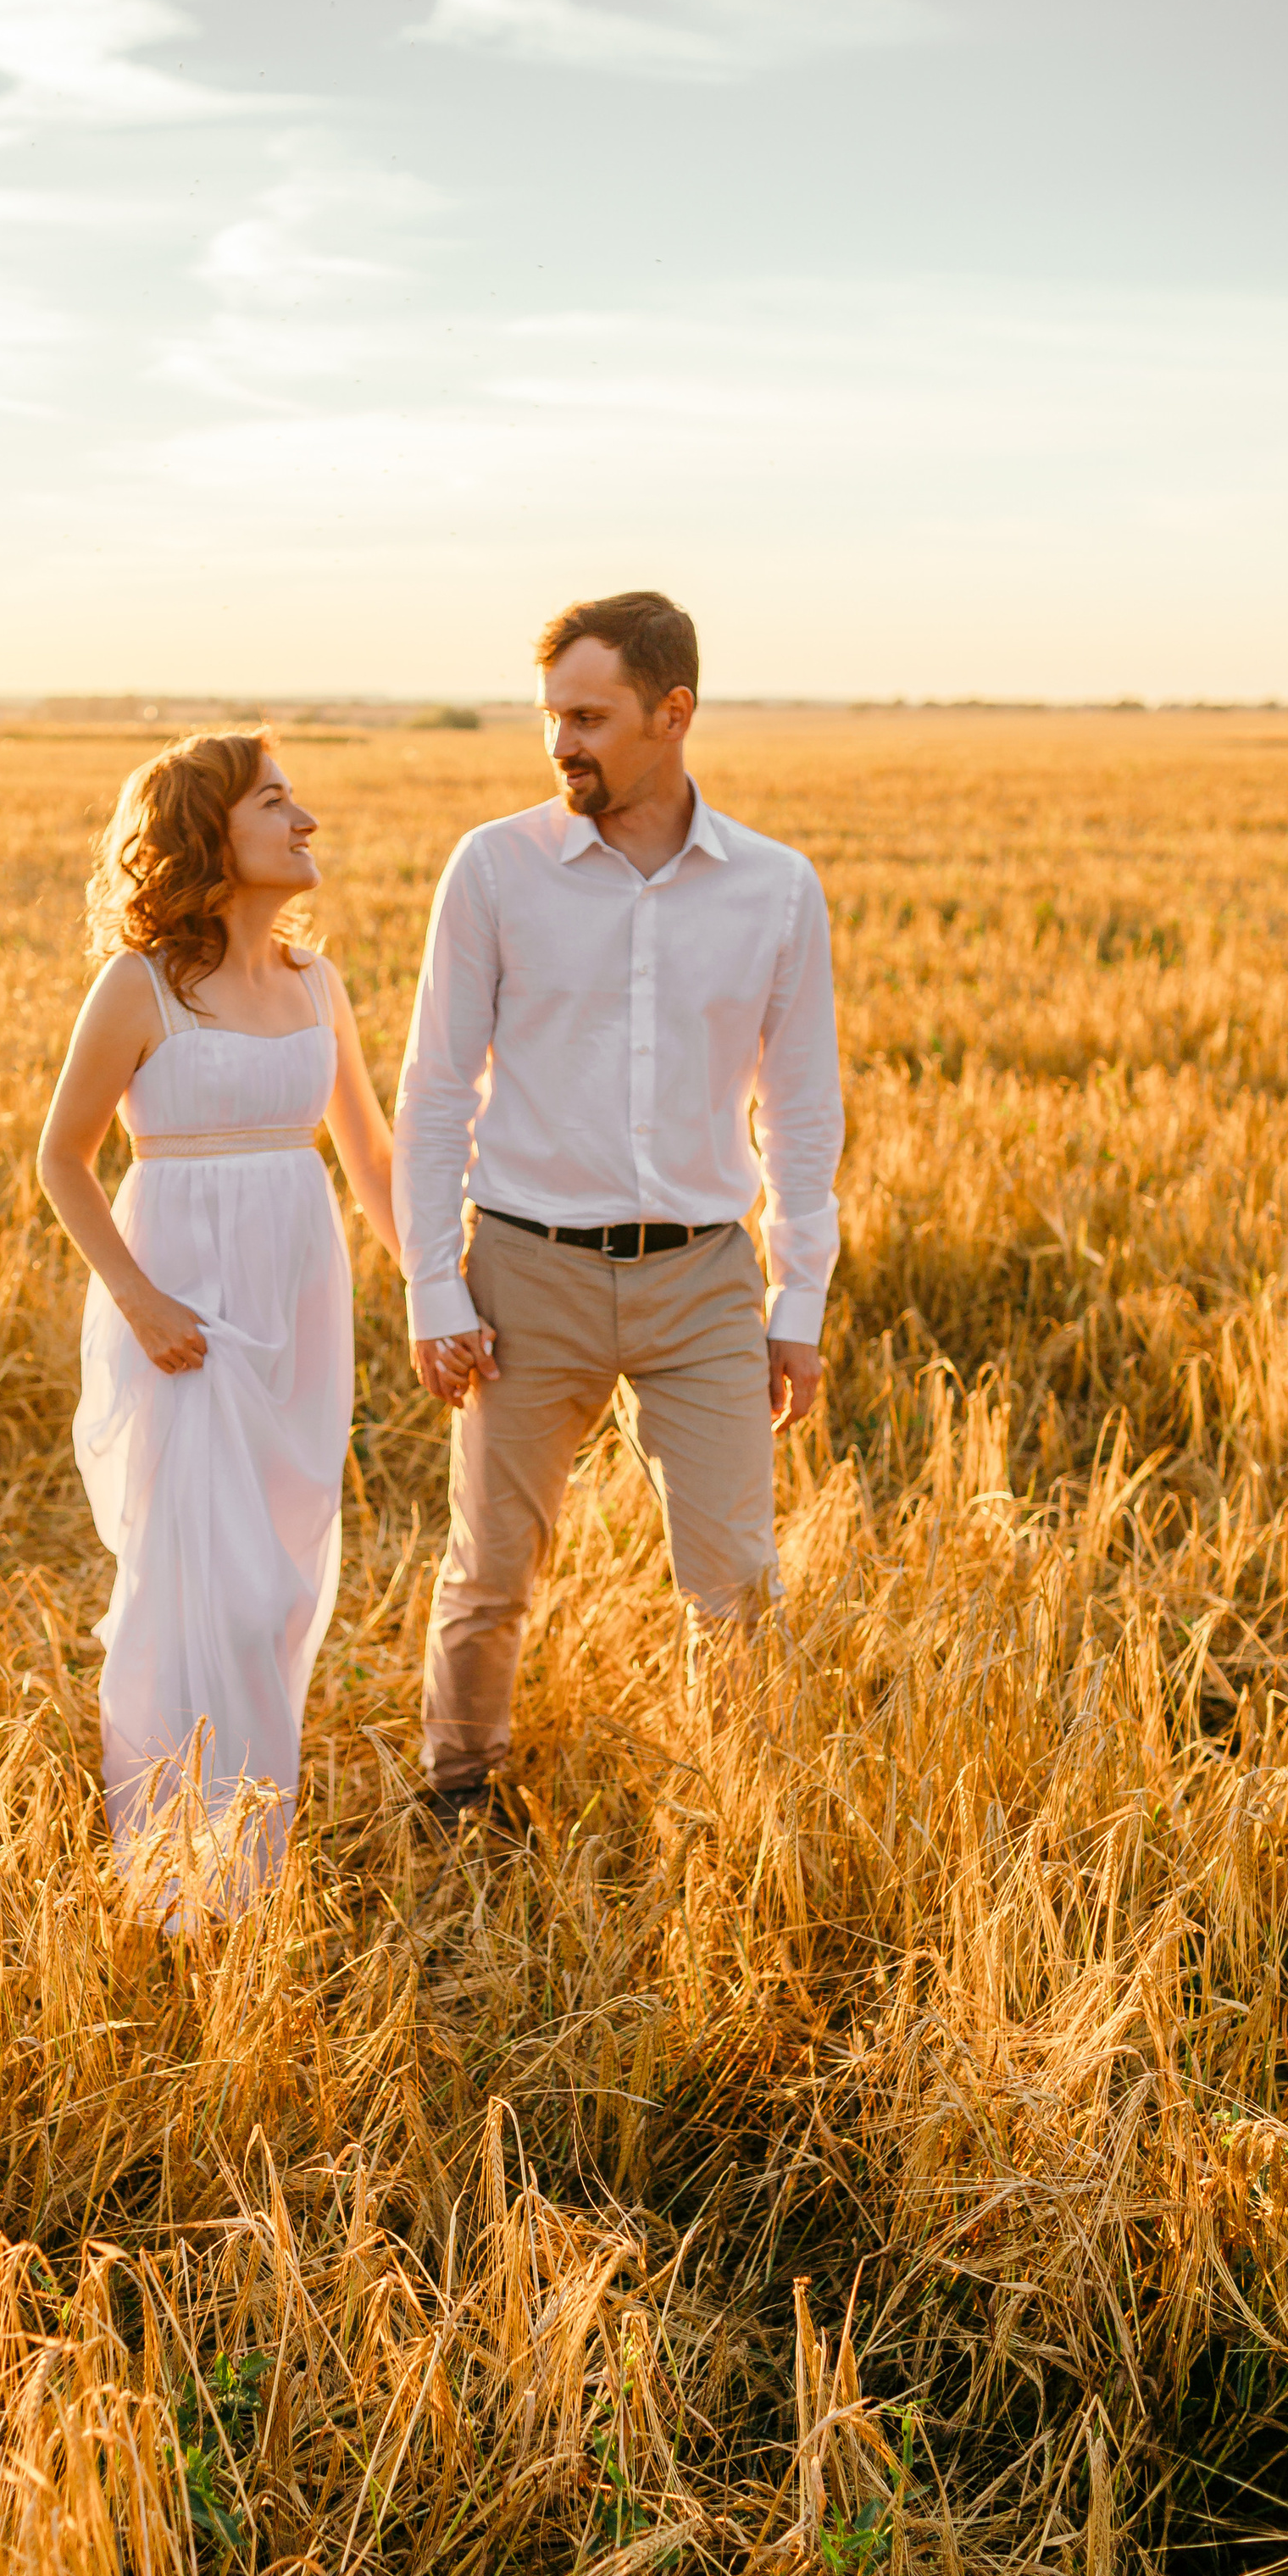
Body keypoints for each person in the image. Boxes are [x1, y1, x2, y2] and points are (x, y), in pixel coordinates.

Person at [392, 590, 844, 1824]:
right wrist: (434, 1283)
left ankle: (743, 1805)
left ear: (673, 712)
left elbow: (801, 1116)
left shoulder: (776, 888)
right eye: (550, 716)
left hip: (703, 1279)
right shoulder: (495, 869)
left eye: (588, 716)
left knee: (738, 1582)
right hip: (524, 1271)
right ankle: (457, 1794)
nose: (561, 744)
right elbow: (434, 1092)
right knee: (490, 1570)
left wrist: (796, 1299)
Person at [38, 730, 399, 1918]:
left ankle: (252, 1854)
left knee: (284, 1588)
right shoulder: (140, 986)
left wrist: (447, 1297)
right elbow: (64, 1159)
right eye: (277, 803)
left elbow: (374, 1167)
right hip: (181, 1323)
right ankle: (183, 1885)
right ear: (212, 834)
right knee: (203, 1586)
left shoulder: (317, 986)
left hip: (298, 1319)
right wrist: (139, 1302)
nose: (307, 823)